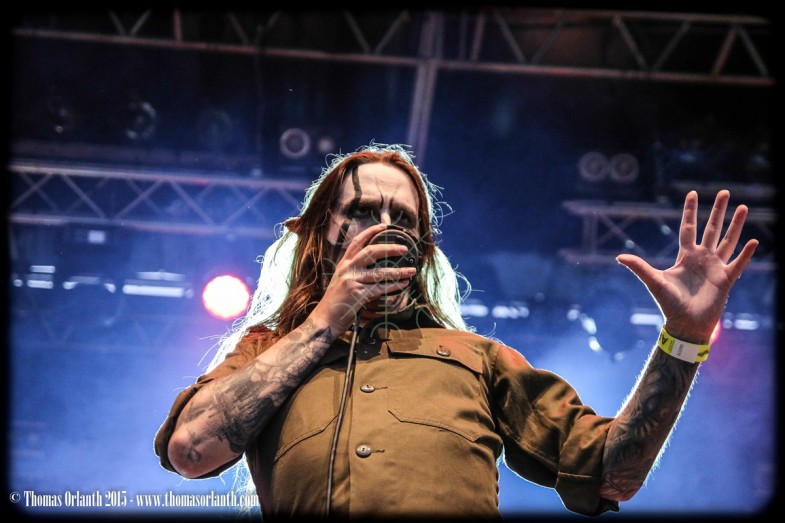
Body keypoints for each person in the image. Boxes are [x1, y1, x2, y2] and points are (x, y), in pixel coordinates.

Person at [154, 143, 758, 519]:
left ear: (422, 250)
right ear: (320, 236)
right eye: (362, 212)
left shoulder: (479, 360)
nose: (385, 226)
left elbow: (612, 472)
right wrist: (324, 321)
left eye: (402, 218)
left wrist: (684, 339)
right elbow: (191, 450)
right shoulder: (268, 352)